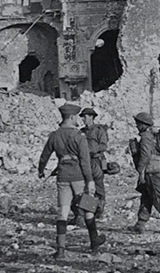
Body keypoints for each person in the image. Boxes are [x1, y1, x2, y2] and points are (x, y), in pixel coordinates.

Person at [38, 103, 105, 258]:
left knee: (63, 211)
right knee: (88, 208)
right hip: (79, 177)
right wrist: (90, 180)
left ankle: (60, 249)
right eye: (77, 117)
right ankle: (94, 241)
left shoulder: (54, 135)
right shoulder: (79, 136)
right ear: (73, 117)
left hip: (63, 176)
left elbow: (44, 156)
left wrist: (41, 170)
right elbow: (85, 161)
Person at [129, 112, 160, 234]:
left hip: (152, 173)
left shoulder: (146, 137)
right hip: (157, 170)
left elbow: (145, 155)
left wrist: (141, 171)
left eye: (138, 124)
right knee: (146, 197)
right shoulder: (154, 135)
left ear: (143, 125)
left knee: (158, 198)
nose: (136, 126)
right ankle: (140, 223)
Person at [80, 107, 108, 219]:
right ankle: (89, 212)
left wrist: (93, 149)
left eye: (85, 117)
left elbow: (104, 145)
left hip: (96, 160)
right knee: (87, 187)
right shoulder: (81, 132)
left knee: (98, 187)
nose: (83, 119)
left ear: (91, 117)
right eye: (82, 117)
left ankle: (99, 210)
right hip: (85, 161)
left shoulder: (99, 130)